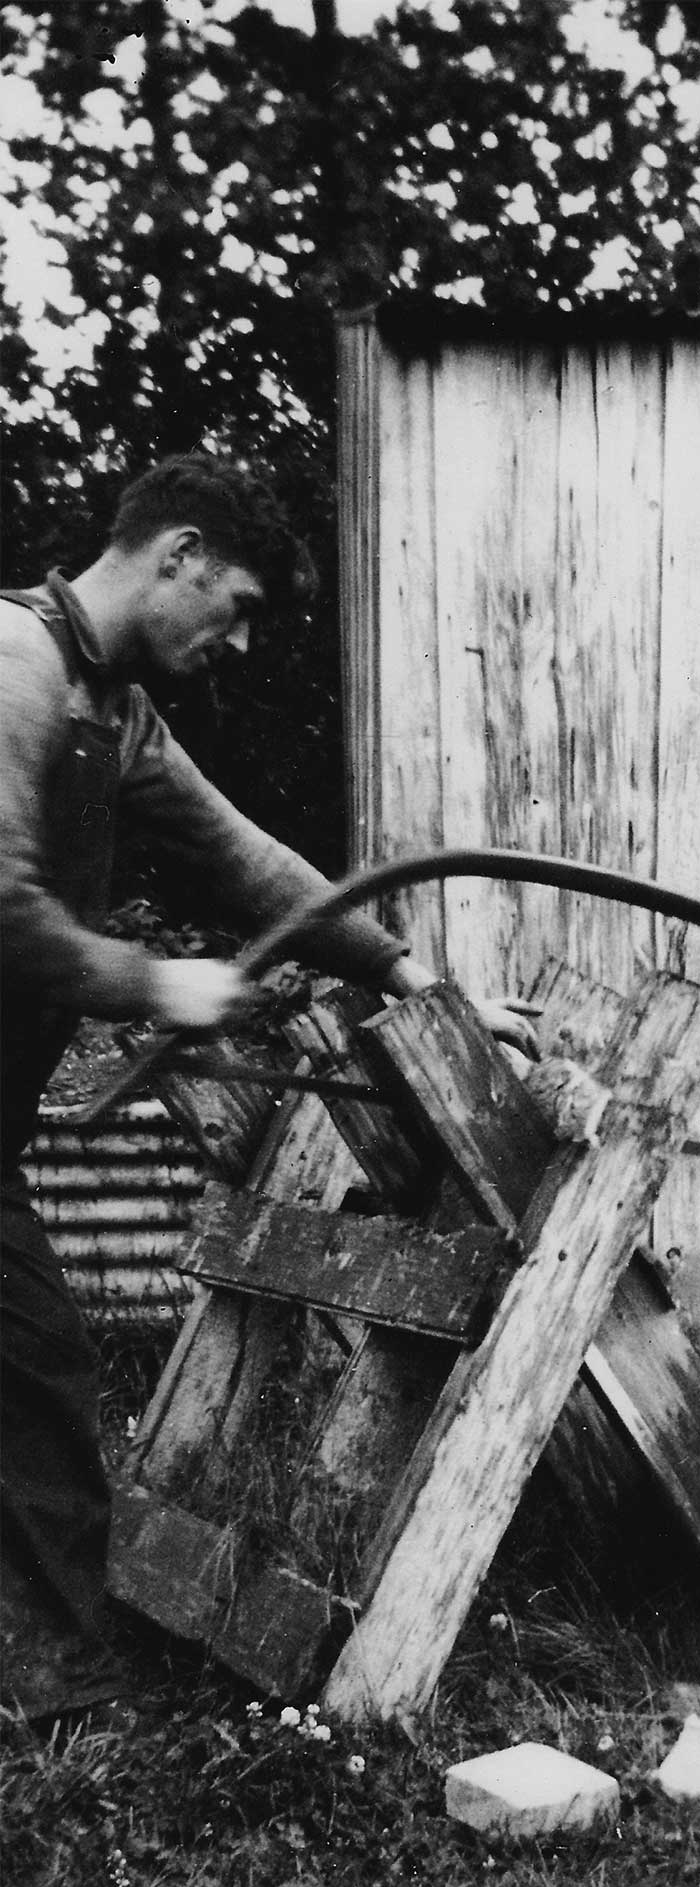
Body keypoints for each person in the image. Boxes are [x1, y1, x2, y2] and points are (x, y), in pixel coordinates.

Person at [0, 454, 526, 1728]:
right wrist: (149, 982)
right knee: (35, 1375)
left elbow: (245, 864)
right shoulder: (13, 673)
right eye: (231, 603)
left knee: (28, 1371)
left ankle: (49, 1663)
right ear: (175, 556)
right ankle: (55, 1675)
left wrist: (408, 975)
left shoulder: (108, 708)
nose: (237, 639)